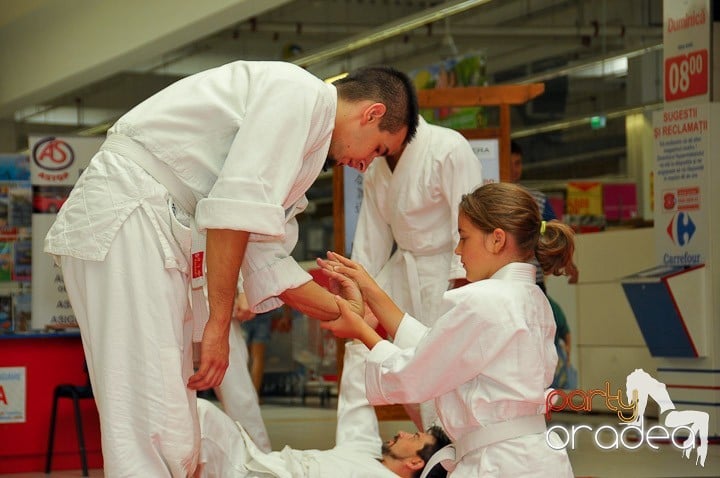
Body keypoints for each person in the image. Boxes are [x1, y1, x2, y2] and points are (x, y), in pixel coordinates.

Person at [44, 60, 419, 477]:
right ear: (372, 114)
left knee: (169, 420)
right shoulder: (298, 94)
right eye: (378, 150)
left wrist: (342, 311)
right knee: (147, 418)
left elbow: (267, 258)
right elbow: (232, 218)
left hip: (151, 227)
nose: (366, 165)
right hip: (128, 217)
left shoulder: (307, 141)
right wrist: (218, 328)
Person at [318, 182, 575, 477]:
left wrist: (361, 331)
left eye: (464, 238)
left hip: (498, 464)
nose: (458, 249)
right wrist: (372, 290)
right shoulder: (534, 300)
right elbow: (436, 348)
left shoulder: (485, 299)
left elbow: (415, 373)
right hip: (534, 457)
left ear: (496, 240)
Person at [350, 115, 483, 429]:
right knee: (358, 345)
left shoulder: (448, 148)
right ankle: (356, 447)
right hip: (402, 267)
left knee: (438, 363)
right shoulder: (376, 169)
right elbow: (372, 238)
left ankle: (440, 443)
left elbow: (469, 222)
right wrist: (357, 286)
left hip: (448, 271)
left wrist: (465, 282)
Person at [195, 339, 451, 477]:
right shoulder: (366, 451)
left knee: (195, 419)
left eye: (415, 437)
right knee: (198, 413)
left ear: (416, 462)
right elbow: (356, 400)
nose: (404, 433)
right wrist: (362, 335)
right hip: (252, 464)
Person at [510, 140, 578, 288]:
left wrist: (567, 262)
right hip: (500, 278)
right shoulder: (489, 201)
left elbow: (555, 234)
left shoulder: (537, 199)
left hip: (534, 278)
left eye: (518, 163)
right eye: (509, 163)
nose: (513, 169)